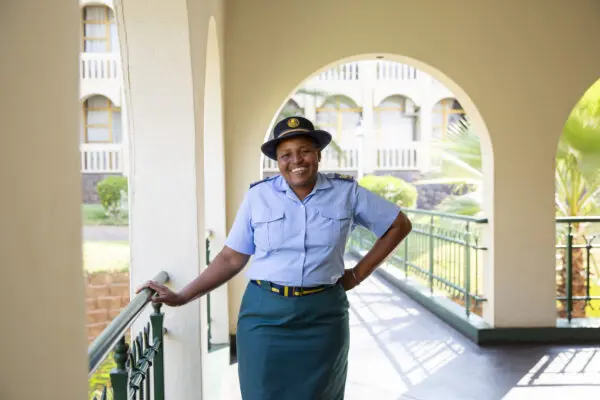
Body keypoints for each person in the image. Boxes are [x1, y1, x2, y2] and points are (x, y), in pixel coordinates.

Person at [137, 116, 412, 399]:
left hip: (323, 315)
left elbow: (398, 224)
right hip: (264, 316)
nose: (297, 160)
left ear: (318, 153)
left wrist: (357, 274)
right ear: (277, 161)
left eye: (305, 151)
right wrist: (183, 296)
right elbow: (231, 258)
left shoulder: (346, 192)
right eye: (286, 155)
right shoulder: (259, 197)